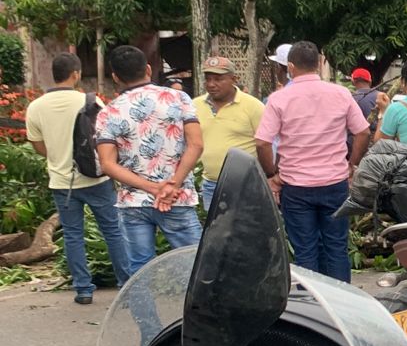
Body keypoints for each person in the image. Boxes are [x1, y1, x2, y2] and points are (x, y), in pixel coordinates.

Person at [255, 41, 372, 282]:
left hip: (296, 188)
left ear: (290, 67)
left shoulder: (279, 99)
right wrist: (352, 164)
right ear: (319, 64)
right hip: (335, 183)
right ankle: (343, 306)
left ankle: (314, 309)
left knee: (305, 251)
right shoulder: (340, 93)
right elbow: (363, 132)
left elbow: (262, 143)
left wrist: (271, 174)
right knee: (337, 248)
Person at [26, 52, 133, 303]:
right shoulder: (92, 101)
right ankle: (126, 284)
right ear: (76, 74)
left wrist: (58, 157)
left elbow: (38, 146)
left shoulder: (36, 107)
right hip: (97, 179)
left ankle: (83, 289)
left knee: (73, 234)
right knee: (113, 231)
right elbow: (108, 138)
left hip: (62, 182)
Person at [94, 45, 204, 277]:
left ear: (115, 77)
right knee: (196, 265)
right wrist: (172, 184)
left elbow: (107, 164)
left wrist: (152, 188)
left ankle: (146, 316)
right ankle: (200, 313)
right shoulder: (178, 98)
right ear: (148, 69)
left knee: (139, 271)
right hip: (177, 198)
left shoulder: (109, 112)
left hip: (134, 202)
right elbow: (196, 145)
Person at [194, 55, 265, 211]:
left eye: (218, 79)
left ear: (234, 79)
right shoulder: (195, 105)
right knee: (216, 233)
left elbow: (266, 144)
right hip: (211, 185)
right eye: (208, 79)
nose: (211, 84)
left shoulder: (253, 106)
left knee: (246, 230)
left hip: (245, 184)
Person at [349, 67, 380, 135]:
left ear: (353, 81)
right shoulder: (381, 96)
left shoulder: (350, 98)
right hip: (379, 137)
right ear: (370, 81)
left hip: (358, 138)